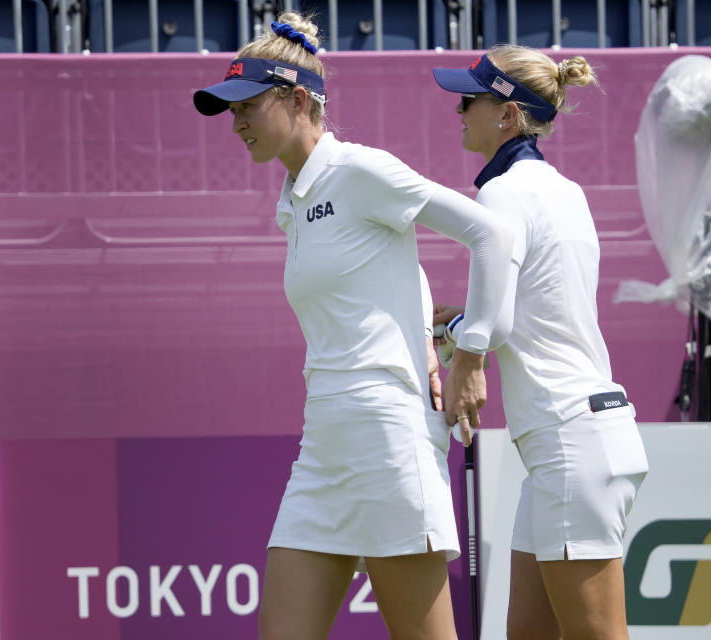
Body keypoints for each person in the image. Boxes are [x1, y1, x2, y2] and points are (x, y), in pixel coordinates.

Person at [193, 13, 514, 640]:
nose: (234, 124)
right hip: (324, 446)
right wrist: (424, 327)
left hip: (388, 440)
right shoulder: (292, 199)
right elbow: (390, 264)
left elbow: (491, 233)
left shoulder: (360, 170)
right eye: (228, 112)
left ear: (293, 99)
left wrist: (472, 353)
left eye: (245, 108)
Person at [432, 46, 650, 640]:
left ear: (507, 116)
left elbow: (496, 326)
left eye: (470, 99)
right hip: (582, 437)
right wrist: (461, 326)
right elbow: (526, 310)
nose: (459, 110)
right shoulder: (565, 191)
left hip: (568, 442)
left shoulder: (501, 195)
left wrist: (458, 341)